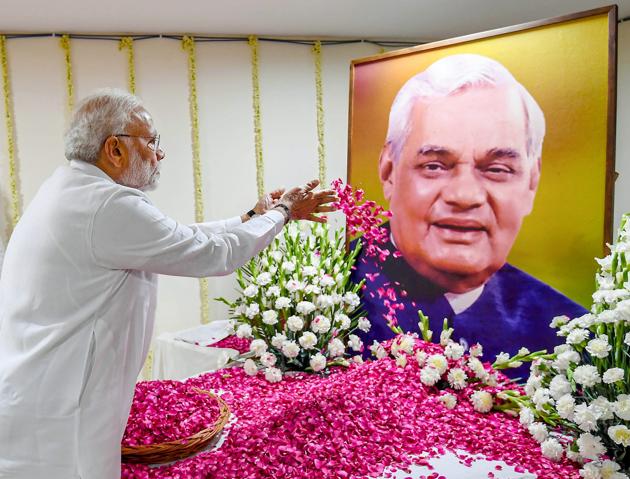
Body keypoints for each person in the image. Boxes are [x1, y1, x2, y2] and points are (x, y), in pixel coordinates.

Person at [0, 89, 336, 479]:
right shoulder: (108, 205)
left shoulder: (74, 189)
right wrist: (283, 213)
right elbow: (214, 255)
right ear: (115, 149)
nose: (160, 154)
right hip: (61, 411)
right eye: (152, 141)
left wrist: (252, 215)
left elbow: (182, 237)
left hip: (44, 395)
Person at [352, 54, 587, 376]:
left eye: (497, 169)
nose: (464, 196)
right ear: (389, 171)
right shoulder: (316, 305)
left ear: (532, 182)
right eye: (434, 165)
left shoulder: (573, 341)